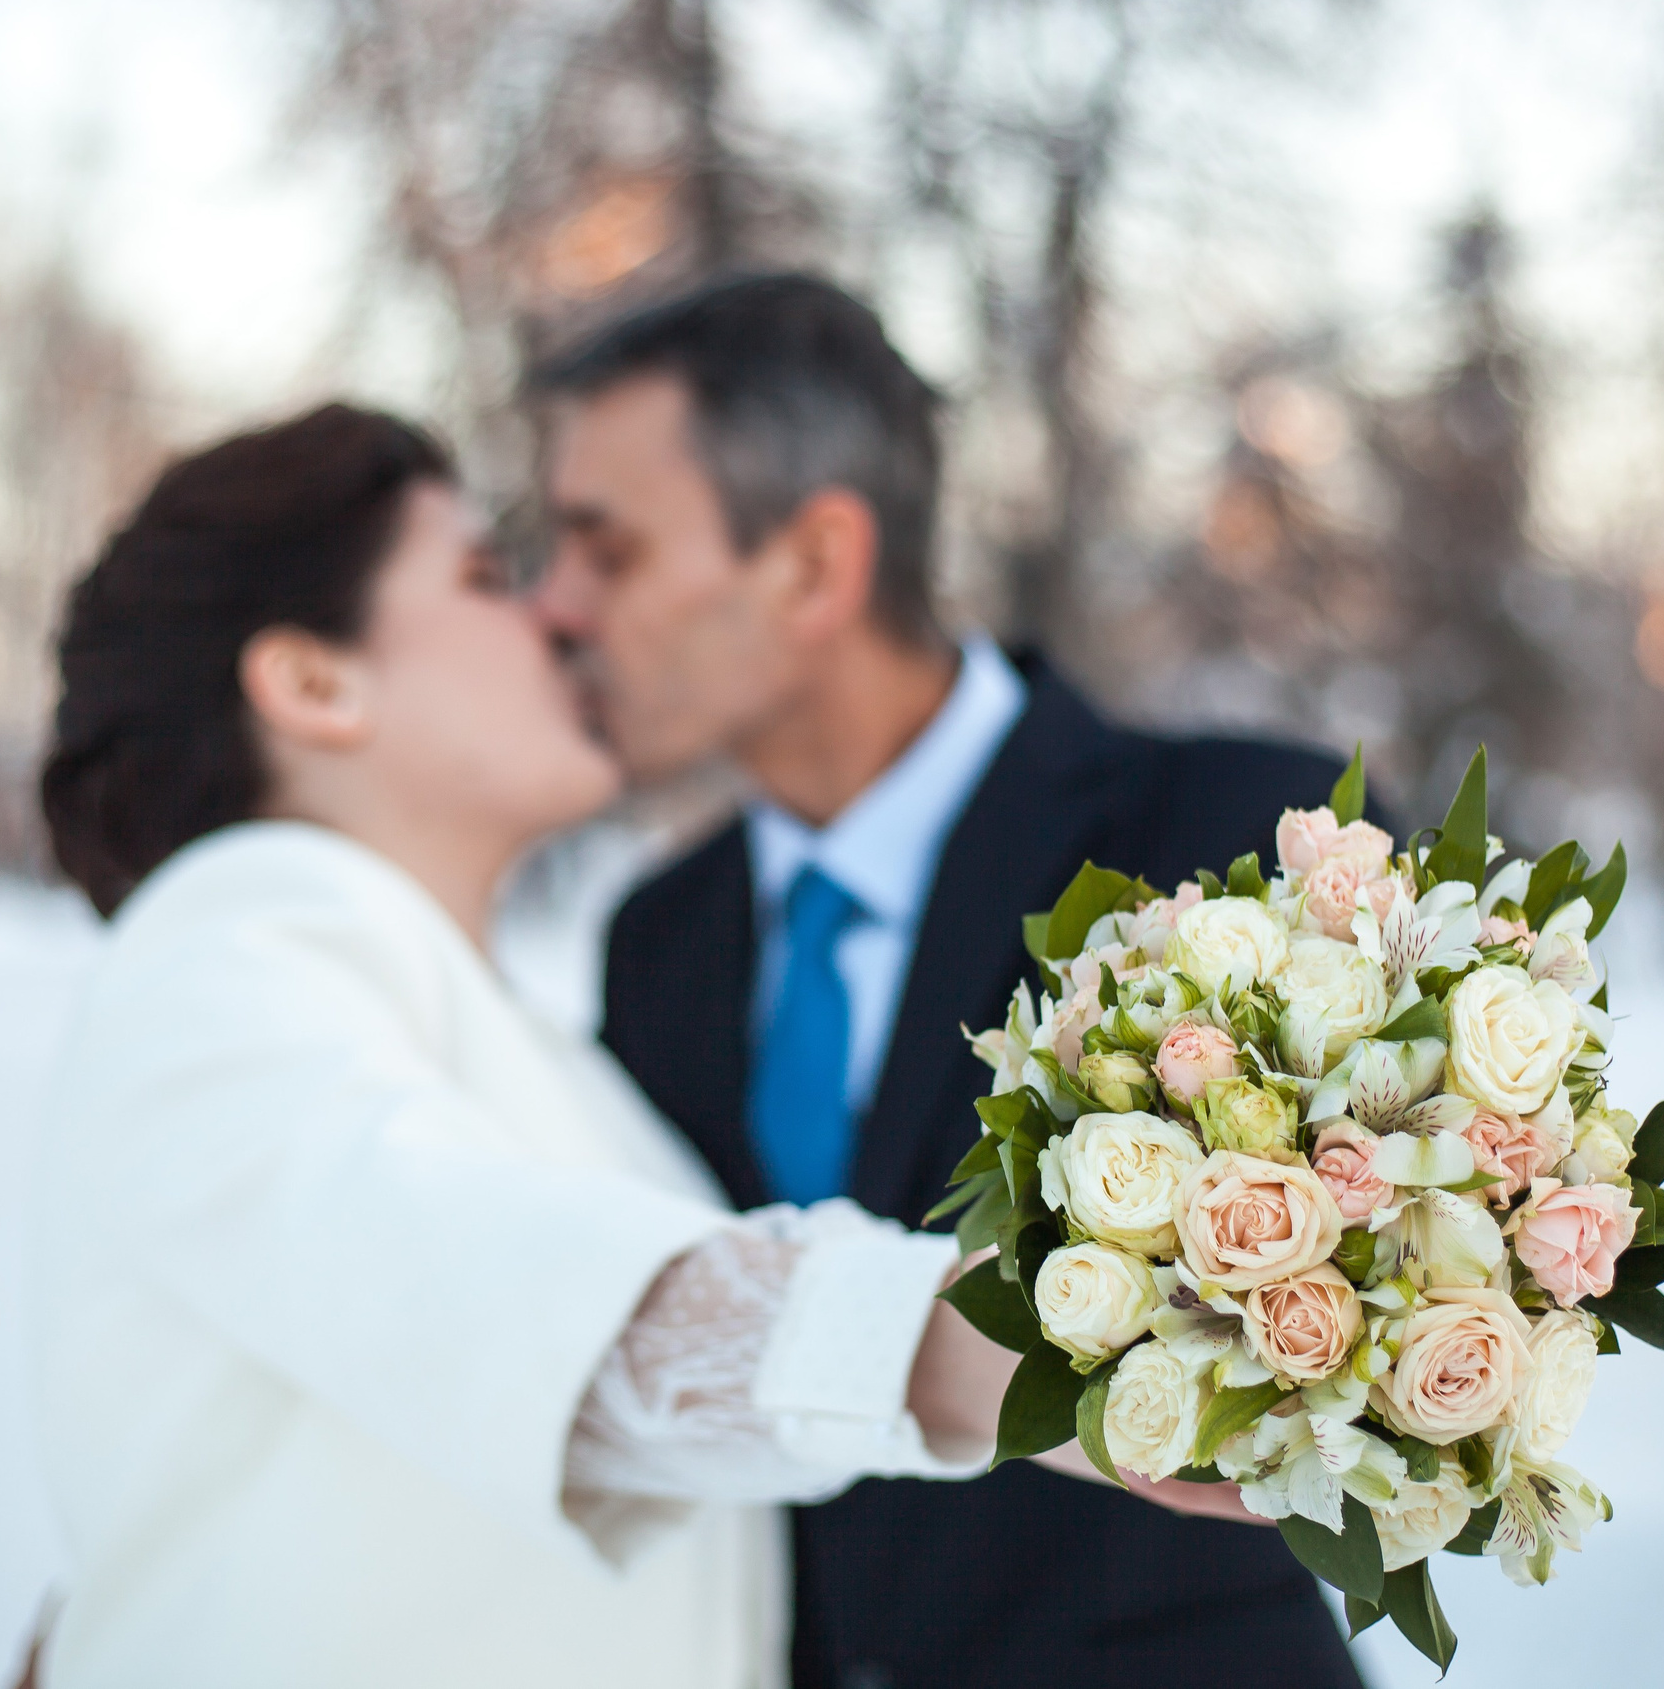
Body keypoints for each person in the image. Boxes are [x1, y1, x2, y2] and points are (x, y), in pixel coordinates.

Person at [25, 404, 1218, 1689]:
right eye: (486, 577)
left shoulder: (545, 1040)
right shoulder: (227, 937)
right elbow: (470, 1274)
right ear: (316, 683)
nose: (556, 615)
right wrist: (982, 1343)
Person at [533, 272, 1369, 1689]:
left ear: (813, 565)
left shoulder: (1241, 846)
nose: (556, 605)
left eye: (606, 551)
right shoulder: (655, 940)